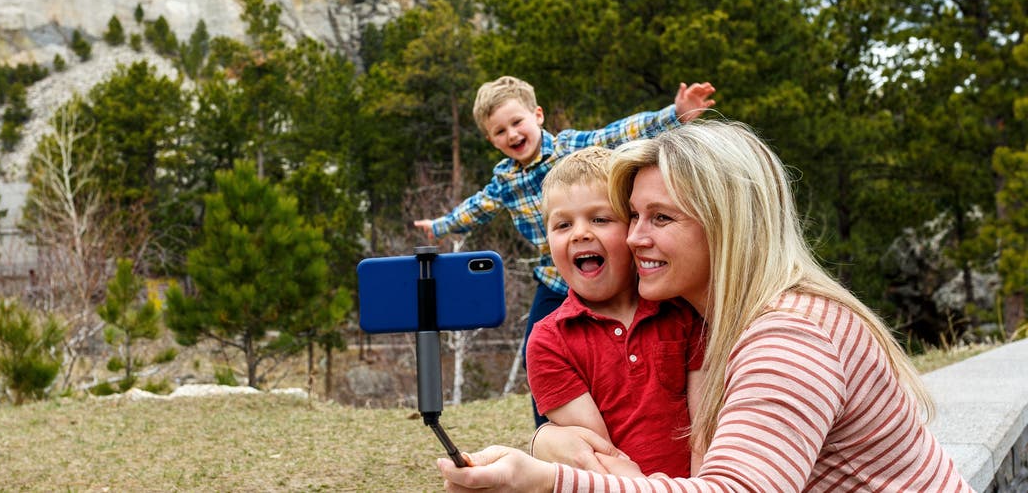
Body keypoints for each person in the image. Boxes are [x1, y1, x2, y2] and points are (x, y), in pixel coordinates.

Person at [437, 120, 974, 492]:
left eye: (660, 219)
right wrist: (548, 439)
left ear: (725, 225)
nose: (635, 238)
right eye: (634, 216)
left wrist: (543, 478)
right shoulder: (737, 320)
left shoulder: (788, 338)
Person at [414, 75, 716, 425]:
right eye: (500, 132)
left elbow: (618, 133)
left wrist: (674, 114)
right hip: (553, 277)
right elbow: (474, 209)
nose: (512, 135)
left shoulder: (570, 149)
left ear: (537, 115)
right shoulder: (504, 182)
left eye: (517, 122)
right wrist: (438, 228)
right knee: (538, 351)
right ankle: (550, 428)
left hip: (612, 268)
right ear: (490, 140)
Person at [530, 147, 704, 477]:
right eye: (563, 224)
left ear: (632, 232)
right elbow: (597, 455)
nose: (580, 233)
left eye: (600, 219)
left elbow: (704, 430)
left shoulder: (682, 310)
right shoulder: (548, 341)